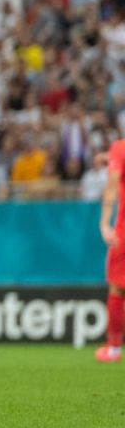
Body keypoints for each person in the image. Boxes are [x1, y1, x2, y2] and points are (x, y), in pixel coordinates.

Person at [97, 141, 125, 363]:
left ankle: (114, 348)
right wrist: (109, 157)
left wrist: (104, 223)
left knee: (117, 286)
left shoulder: (120, 148)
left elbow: (112, 186)